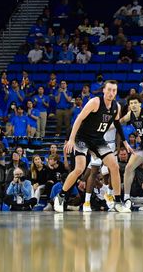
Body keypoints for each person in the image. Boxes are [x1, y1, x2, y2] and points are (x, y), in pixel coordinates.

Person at [54, 80, 133, 213]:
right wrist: (71, 139)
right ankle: (61, 196)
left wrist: (125, 142)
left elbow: (118, 124)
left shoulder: (117, 106)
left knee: (114, 166)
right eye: (109, 89)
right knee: (79, 168)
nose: (111, 93)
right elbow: (79, 119)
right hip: (82, 137)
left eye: (114, 90)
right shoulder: (95, 102)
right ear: (103, 90)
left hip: (97, 139)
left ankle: (118, 201)